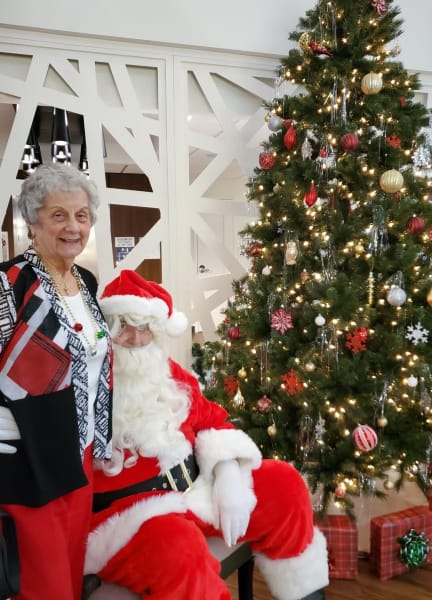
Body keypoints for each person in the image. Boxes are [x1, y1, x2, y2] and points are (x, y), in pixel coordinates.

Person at [84, 269, 328, 600]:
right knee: (178, 548)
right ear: (108, 330)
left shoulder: (168, 373)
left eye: (145, 328)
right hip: (132, 519)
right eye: (124, 326)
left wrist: (227, 474)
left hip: (193, 493)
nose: (136, 338)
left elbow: (212, 419)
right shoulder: (86, 385)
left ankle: (304, 593)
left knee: (283, 484)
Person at [0, 164, 113, 600]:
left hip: (78, 451)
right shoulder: (10, 284)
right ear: (33, 220)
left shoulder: (86, 282)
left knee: (69, 571)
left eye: (82, 215)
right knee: (42, 584)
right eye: (59, 215)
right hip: (27, 456)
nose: (73, 227)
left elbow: (84, 352)